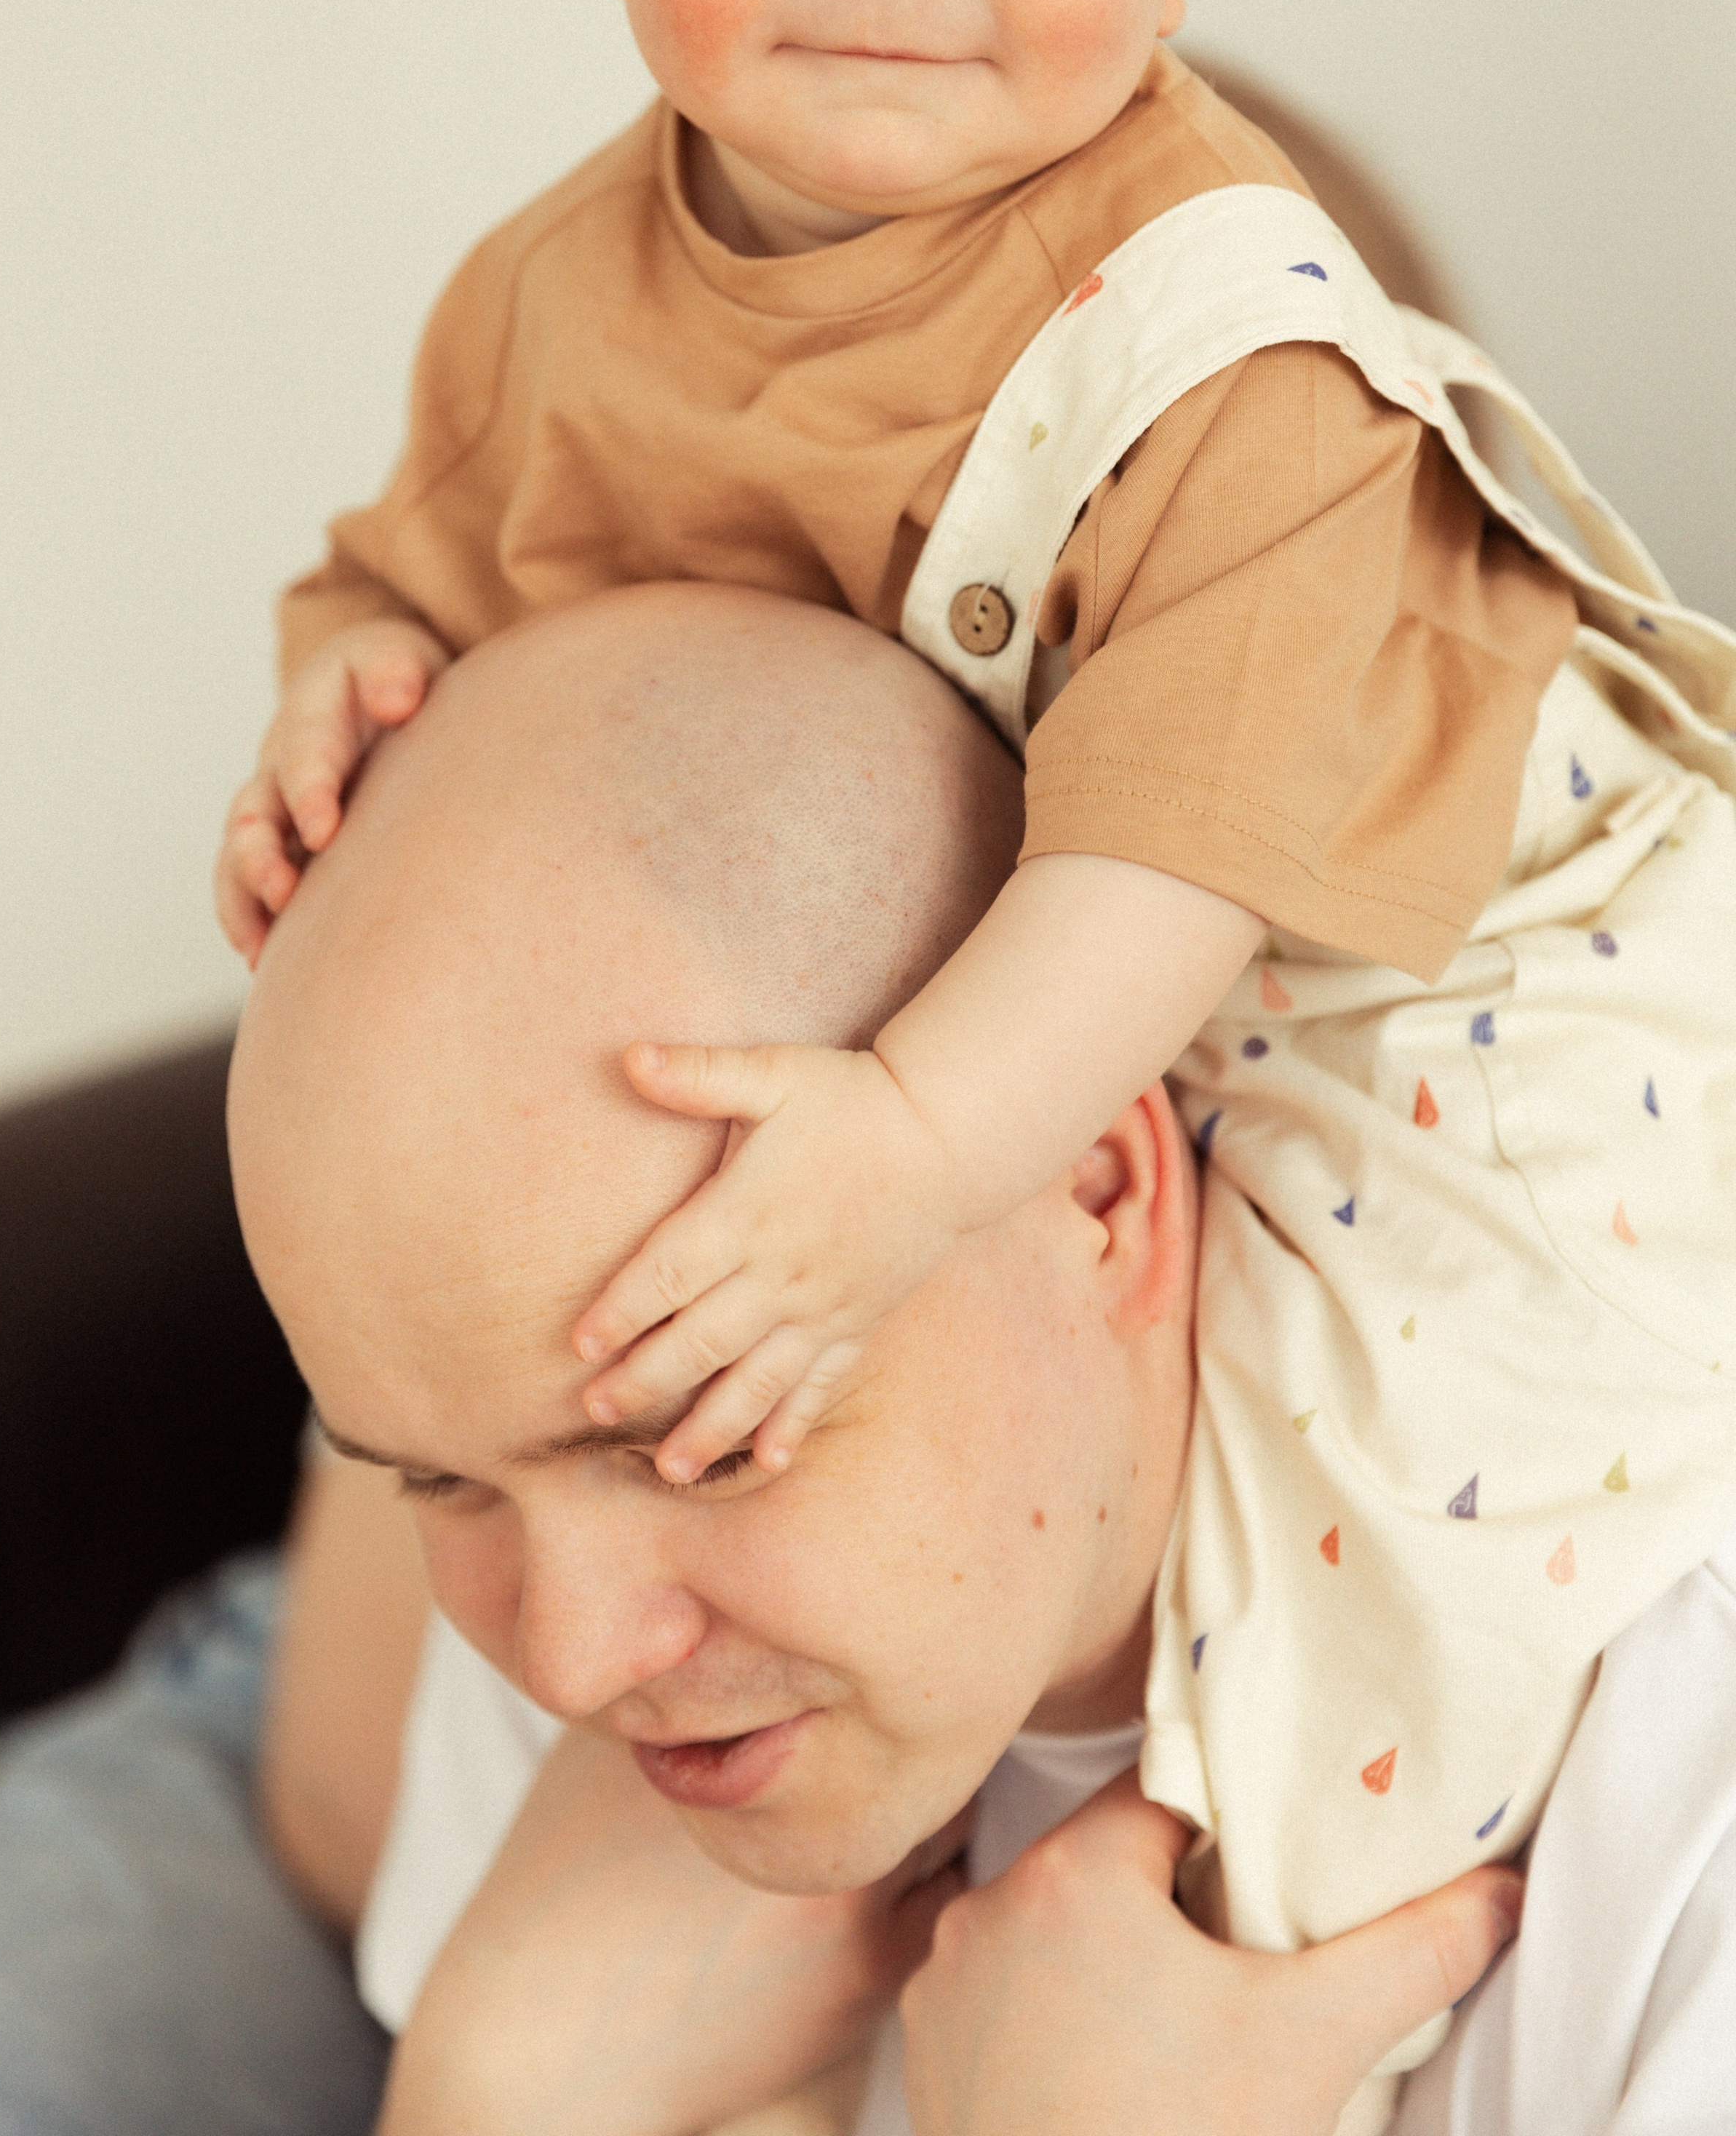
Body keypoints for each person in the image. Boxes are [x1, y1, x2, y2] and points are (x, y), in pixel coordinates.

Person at [210, 0, 1736, 2052]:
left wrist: (916, 1144)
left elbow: (1176, 863)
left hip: (1433, 960)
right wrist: (351, 687)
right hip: (1057, 1002)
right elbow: (407, 560)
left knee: (1437, 1455)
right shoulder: (554, 294)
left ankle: (1284, 1912)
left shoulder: (1234, 354)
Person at [229, 583, 1518, 2136]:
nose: (571, 1669)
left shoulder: (1651, 1784)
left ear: (1090, 1194)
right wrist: (484, 2093)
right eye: (439, 1481)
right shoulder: (587, 1599)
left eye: (697, 1436)